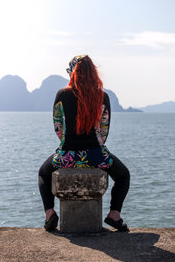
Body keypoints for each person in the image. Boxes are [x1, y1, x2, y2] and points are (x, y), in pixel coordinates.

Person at [38, 55, 130, 232]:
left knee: (43, 172)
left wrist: (68, 147)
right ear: (93, 73)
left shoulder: (62, 94)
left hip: (67, 155)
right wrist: (94, 150)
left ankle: (50, 214)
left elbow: (58, 127)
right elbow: (104, 131)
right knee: (123, 175)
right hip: (96, 155)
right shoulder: (102, 96)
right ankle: (114, 215)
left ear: (73, 73)